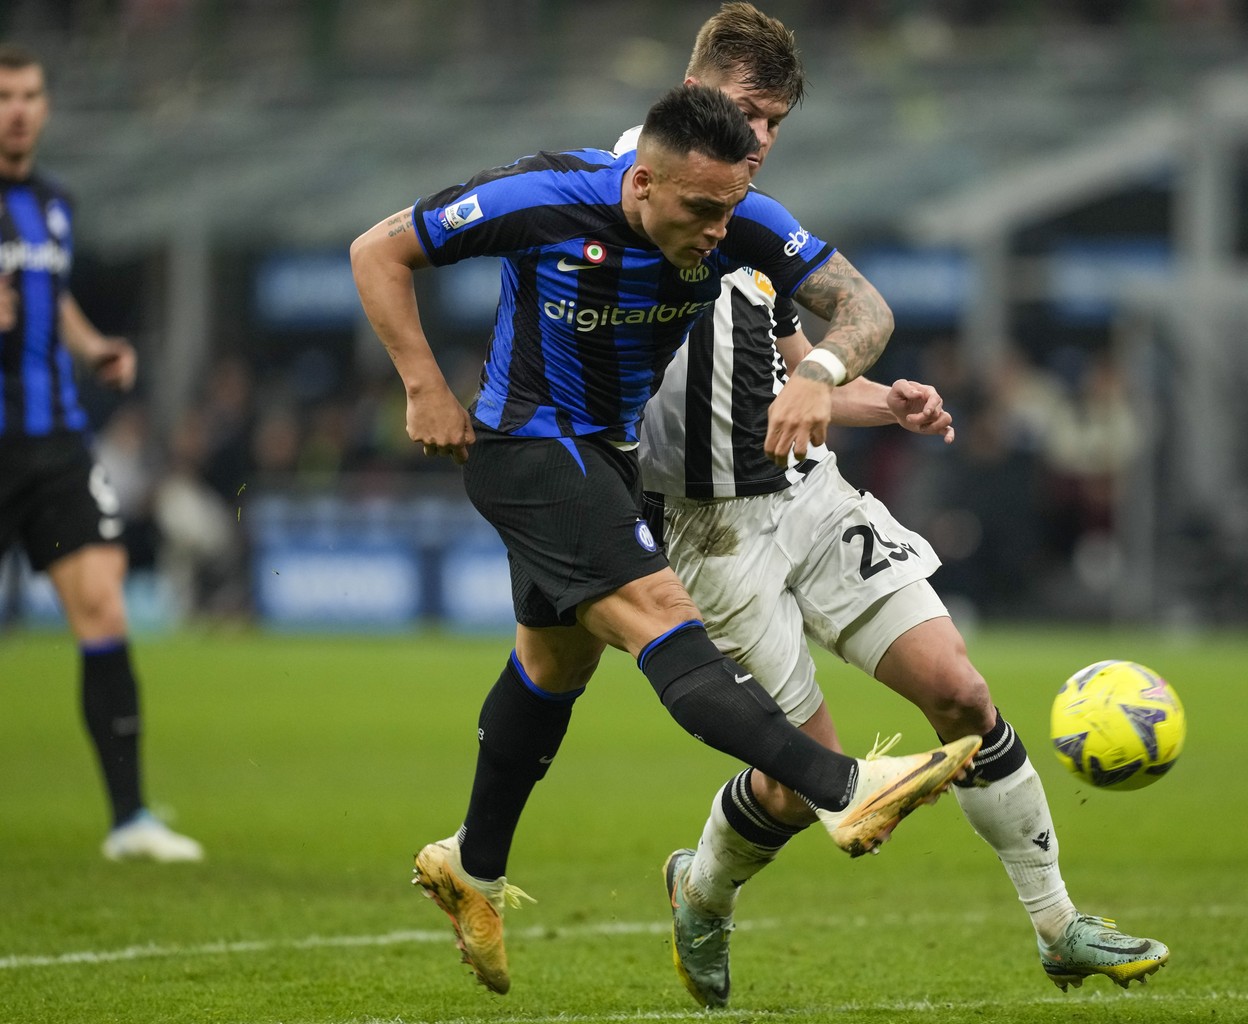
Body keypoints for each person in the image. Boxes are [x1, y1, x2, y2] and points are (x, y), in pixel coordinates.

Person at [349, 83, 980, 996]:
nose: (719, 231)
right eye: (699, 209)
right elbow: (379, 250)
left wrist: (838, 376)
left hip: (608, 459)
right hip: (527, 447)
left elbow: (863, 308)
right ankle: (845, 788)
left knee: (555, 665)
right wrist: (421, 384)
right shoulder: (542, 197)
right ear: (640, 182)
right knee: (659, 613)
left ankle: (470, 867)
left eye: (730, 209)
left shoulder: (736, 216)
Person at [629, 5, 1167, 1009]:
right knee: (802, 782)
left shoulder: (749, 211)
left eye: (775, 124)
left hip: (804, 489)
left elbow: (798, 356)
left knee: (960, 691)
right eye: (749, 111)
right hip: (708, 536)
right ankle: (699, 891)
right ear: (696, 86)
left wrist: (874, 395)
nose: (759, 142)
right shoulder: (623, 196)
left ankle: (1059, 927)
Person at [0, 43, 202, 863]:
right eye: (4, 94)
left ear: (45, 105)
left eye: (28, 93)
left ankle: (129, 821)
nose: (17, 108)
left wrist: (93, 349)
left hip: (52, 444)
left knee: (103, 605)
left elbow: (55, 296)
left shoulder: (53, 205)